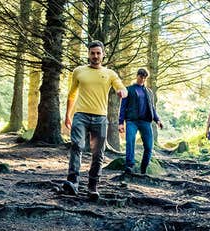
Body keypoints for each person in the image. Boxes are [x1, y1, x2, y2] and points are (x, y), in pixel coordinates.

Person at [62, 41, 127, 200]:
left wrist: (122, 92)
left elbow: (121, 87)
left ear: (103, 54)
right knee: (77, 146)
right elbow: (72, 94)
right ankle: (73, 182)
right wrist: (67, 115)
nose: (95, 56)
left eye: (98, 53)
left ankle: (92, 186)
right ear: (88, 54)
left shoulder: (110, 73)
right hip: (80, 116)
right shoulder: (78, 71)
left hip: (100, 118)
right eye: (92, 53)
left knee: (98, 153)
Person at [119, 68, 164, 175]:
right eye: (141, 77)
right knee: (130, 142)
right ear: (137, 76)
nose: (142, 79)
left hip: (145, 121)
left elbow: (152, 108)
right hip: (132, 121)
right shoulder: (128, 90)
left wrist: (157, 119)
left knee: (149, 146)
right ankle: (129, 165)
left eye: (144, 78)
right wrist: (120, 122)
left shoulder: (149, 92)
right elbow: (122, 107)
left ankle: (143, 168)